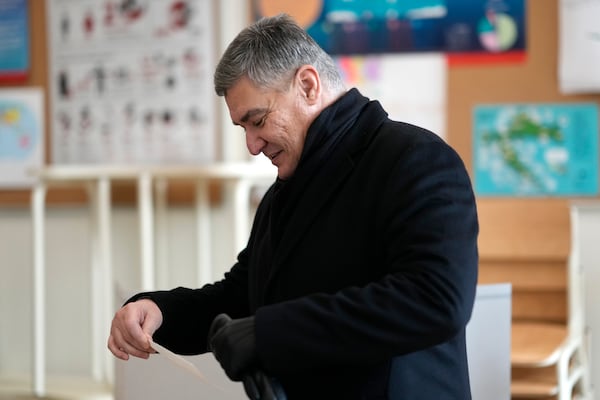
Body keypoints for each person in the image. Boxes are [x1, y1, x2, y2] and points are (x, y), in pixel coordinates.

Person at [108, 13, 479, 400]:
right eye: (243, 129)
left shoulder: (415, 160)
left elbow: (435, 299)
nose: (252, 145)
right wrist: (159, 310)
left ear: (307, 85)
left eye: (258, 120)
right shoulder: (283, 192)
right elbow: (240, 299)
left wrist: (270, 333)